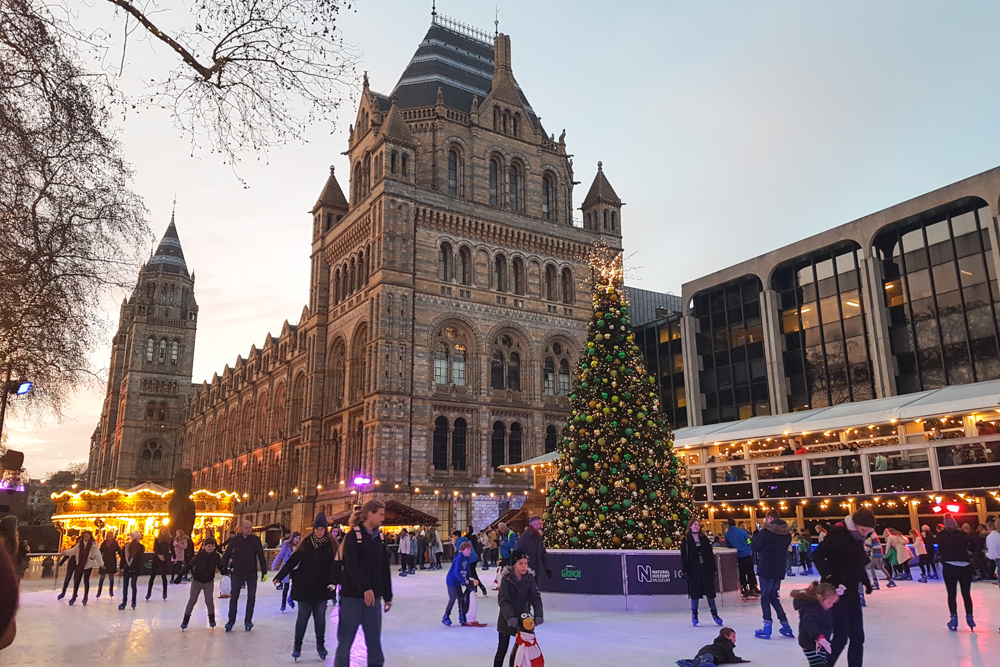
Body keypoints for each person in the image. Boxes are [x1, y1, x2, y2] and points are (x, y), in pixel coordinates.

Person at [812, 507, 876, 667]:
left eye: (867, 532)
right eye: (862, 530)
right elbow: (817, 556)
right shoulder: (837, 535)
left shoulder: (856, 538)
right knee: (841, 637)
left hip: (851, 592)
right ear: (855, 524)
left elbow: (857, 563)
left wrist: (866, 582)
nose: (864, 535)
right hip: (834, 594)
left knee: (857, 637)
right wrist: (829, 577)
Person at [337, 499, 392, 667]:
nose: (383, 518)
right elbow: (351, 566)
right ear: (370, 514)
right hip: (352, 599)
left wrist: (387, 595)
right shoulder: (354, 535)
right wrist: (365, 587)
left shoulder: (380, 537)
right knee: (345, 642)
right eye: (380, 514)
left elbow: (384, 567)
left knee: (374, 643)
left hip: (373, 600)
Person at [275, 513, 337, 660]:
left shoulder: (331, 545)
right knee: (302, 618)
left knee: (320, 619)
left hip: (322, 589)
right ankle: (297, 647)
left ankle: (320, 646)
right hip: (304, 588)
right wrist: (280, 575)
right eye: (317, 528)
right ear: (314, 529)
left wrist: (334, 582)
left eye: (322, 529)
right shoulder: (306, 544)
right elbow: (292, 561)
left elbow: (336, 566)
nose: (320, 531)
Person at [495, 550, 543, 667]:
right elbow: (503, 600)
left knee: (522, 651)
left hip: (524, 621)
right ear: (514, 565)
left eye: (526, 563)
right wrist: (509, 617)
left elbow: (535, 597)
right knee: (502, 649)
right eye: (520, 563)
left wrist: (538, 614)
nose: (524, 566)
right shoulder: (506, 579)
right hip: (507, 620)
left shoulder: (529, 578)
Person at [751, 509, 794, 640]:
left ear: (769, 518)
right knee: (773, 596)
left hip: (766, 568)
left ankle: (767, 626)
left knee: (765, 596)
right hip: (779, 568)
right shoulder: (786, 534)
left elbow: (755, 547)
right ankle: (786, 625)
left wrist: (756, 535)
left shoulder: (765, 533)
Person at [220, 519, 268, 632]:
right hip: (237, 572)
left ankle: (248, 620)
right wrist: (223, 568)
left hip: (251, 573)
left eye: (250, 527)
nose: (249, 530)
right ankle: (231, 621)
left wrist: (264, 572)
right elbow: (227, 554)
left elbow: (261, 555)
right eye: (247, 528)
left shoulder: (255, 540)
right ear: (241, 528)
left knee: (251, 597)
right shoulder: (235, 540)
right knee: (234, 598)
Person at [937, 513, 976, 631]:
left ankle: (954, 618)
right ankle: (970, 616)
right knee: (966, 593)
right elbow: (973, 546)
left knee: (951, 593)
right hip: (965, 566)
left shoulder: (941, 536)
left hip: (949, 566)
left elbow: (940, 549)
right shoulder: (963, 535)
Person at [681, 518, 723, 627]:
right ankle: (694, 615)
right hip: (693, 570)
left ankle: (715, 614)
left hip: (705, 569)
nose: (696, 526)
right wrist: (685, 570)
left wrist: (713, 569)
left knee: (710, 593)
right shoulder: (686, 539)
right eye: (694, 525)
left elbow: (709, 554)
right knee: (694, 594)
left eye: (698, 525)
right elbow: (684, 557)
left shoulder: (703, 538)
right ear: (690, 526)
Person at [177, 536, 224, 629]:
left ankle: (212, 619)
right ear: (204, 546)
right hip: (197, 581)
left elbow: (221, 566)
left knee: (209, 601)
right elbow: (190, 564)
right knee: (192, 600)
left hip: (208, 582)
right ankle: (185, 620)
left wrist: (224, 570)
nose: (210, 548)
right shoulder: (199, 555)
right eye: (208, 546)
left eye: (212, 546)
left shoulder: (216, 556)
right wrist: (180, 575)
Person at [791, 581, 839, 667]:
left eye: (833, 603)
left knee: (823, 664)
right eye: (829, 603)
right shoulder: (810, 609)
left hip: (821, 644)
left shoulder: (824, 607)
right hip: (810, 643)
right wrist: (818, 636)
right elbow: (809, 624)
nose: (831, 605)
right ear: (820, 597)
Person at [61, 529, 103, 606]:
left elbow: (97, 554)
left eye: (87, 536)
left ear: (90, 537)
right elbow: (73, 550)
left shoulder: (93, 544)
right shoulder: (80, 544)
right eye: (85, 536)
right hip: (79, 564)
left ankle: (85, 597)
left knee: (86, 581)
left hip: (88, 565)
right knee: (77, 581)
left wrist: (101, 564)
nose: (86, 537)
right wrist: (65, 552)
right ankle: (74, 596)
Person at [675, 628, 749, 667]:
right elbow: (730, 658)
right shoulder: (726, 644)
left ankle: (690, 662)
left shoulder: (719, 644)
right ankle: (703, 663)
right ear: (727, 637)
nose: (735, 639)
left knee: (700, 659)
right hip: (710, 654)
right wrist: (740, 660)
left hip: (705, 650)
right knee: (707, 659)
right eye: (733, 637)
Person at [443, 540, 476, 627]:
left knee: (461, 599)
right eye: (467, 549)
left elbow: (467, 570)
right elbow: (457, 571)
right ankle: (446, 616)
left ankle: (462, 616)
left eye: (470, 549)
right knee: (453, 598)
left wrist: (469, 578)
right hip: (452, 581)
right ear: (462, 550)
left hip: (458, 581)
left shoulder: (467, 558)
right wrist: (464, 581)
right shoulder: (459, 558)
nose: (469, 551)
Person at [725, 518, 757, 599]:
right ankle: (752, 588)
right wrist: (748, 549)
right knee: (750, 572)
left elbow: (728, 545)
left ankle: (744, 588)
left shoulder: (727, 534)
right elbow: (749, 542)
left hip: (738, 556)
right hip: (746, 554)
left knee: (742, 573)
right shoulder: (742, 532)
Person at [271, 531, 300, 612]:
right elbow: (280, 555)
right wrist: (274, 565)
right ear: (292, 537)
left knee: (295, 585)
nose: (297, 540)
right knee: (286, 587)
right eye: (296, 538)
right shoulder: (286, 545)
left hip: (295, 568)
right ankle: (283, 603)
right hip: (286, 567)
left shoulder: (299, 547)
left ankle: (290, 598)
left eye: (298, 538)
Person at [118, 531, 145, 610]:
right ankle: (128, 602)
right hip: (130, 569)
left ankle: (129, 602)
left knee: (130, 586)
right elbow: (123, 558)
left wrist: (122, 567)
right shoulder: (128, 546)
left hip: (132, 569)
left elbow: (138, 559)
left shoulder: (140, 547)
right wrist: (122, 567)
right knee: (130, 586)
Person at [146, 526, 173, 601]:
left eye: (164, 531)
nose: (163, 532)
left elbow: (172, 548)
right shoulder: (157, 539)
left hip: (165, 558)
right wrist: (158, 555)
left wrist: (174, 557)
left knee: (164, 576)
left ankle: (165, 592)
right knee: (153, 575)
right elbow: (155, 548)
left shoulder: (169, 539)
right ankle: (148, 593)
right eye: (162, 531)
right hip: (157, 558)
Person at [96, 532, 122, 599]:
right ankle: (99, 591)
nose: (109, 537)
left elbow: (119, 551)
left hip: (111, 561)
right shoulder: (104, 543)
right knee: (102, 577)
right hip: (104, 561)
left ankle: (111, 591)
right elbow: (100, 551)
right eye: (108, 536)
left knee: (111, 578)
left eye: (110, 536)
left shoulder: (115, 543)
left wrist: (123, 557)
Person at [56, 536, 78, 600]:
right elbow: (67, 555)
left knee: (76, 580)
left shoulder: (83, 549)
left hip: (77, 565)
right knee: (67, 578)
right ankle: (63, 592)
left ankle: (74, 593)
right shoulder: (73, 547)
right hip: (71, 565)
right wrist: (61, 562)